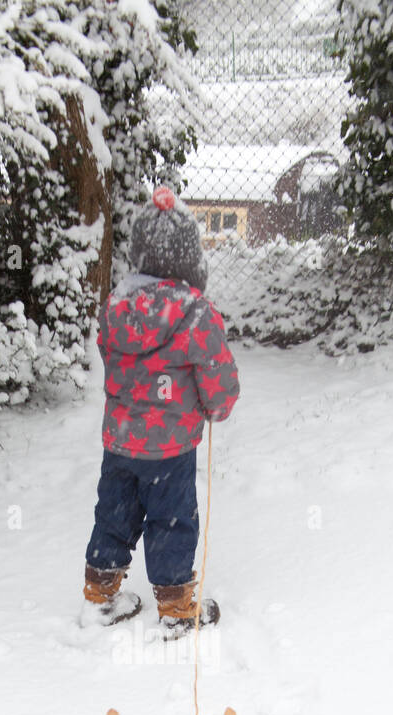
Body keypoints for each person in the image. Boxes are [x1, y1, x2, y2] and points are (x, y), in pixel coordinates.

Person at [83, 187, 240, 636]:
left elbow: (112, 357)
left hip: (121, 439)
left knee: (114, 513)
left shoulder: (115, 308)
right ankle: (174, 608)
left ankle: (100, 597)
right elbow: (216, 373)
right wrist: (217, 405)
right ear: (190, 260)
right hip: (170, 449)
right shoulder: (196, 313)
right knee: (171, 521)